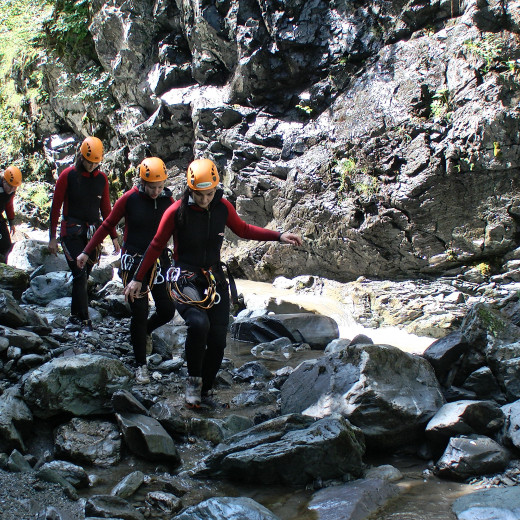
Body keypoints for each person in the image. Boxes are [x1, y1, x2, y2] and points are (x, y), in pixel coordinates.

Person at [124, 158, 302, 408]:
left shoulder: (223, 207)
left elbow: (244, 230)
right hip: (184, 277)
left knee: (218, 338)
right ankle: (193, 384)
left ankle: (205, 388)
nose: (204, 199)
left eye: (209, 194)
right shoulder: (175, 211)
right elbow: (155, 245)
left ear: (216, 189)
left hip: (214, 277)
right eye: (199, 194)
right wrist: (137, 279)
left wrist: (279, 235)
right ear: (190, 189)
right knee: (198, 324)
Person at [77, 157, 176, 384]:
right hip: (133, 262)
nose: (156, 192)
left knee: (168, 310)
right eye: (152, 187)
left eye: (160, 187)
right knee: (139, 311)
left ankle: (144, 333)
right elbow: (107, 224)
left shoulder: (167, 199)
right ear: (142, 182)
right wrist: (85, 251)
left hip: (159, 262)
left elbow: (179, 229)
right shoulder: (129, 199)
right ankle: (141, 364)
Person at [48, 136, 120, 332]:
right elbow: (55, 208)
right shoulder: (68, 175)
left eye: (95, 162)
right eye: (88, 161)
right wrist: (52, 238)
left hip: (91, 234)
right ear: (81, 156)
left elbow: (106, 210)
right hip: (70, 232)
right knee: (79, 273)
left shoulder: (102, 179)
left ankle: (74, 315)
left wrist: (113, 236)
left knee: (83, 275)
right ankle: (86, 319)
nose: (91, 165)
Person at [0, 165, 22, 264]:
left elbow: (9, 205)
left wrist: (11, 222)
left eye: (14, 188)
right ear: (4, 180)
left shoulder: (11, 192)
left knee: (6, 245)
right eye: (10, 186)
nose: (11, 189)